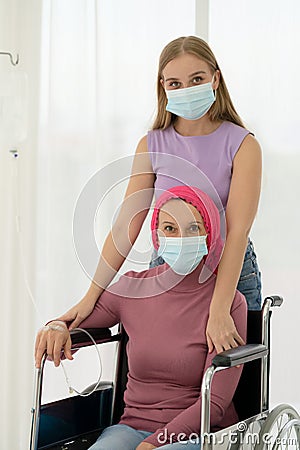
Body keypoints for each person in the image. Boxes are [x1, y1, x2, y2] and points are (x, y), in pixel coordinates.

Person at [59, 35, 261, 354]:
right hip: (166, 267)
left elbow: (237, 233)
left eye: (197, 79)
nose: (187, 90)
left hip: (230, 272)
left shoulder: (243, 145)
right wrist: (90, 297)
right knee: (169, 368)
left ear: (216, 79)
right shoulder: (152, 145)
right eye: (175, 83)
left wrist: (221, 309)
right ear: (163, 87)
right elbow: (126, 226)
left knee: (228, 379)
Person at [35, 186, 247, 450]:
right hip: (131, 427)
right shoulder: (132, 289)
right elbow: (78, 319)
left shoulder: (227, 305)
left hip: (199, 433)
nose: (181, 237)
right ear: (157, 236)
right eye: (170, 228)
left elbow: (215, 403)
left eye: (193, 228)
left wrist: (154, 443)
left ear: (209, 234)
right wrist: (55, 326)